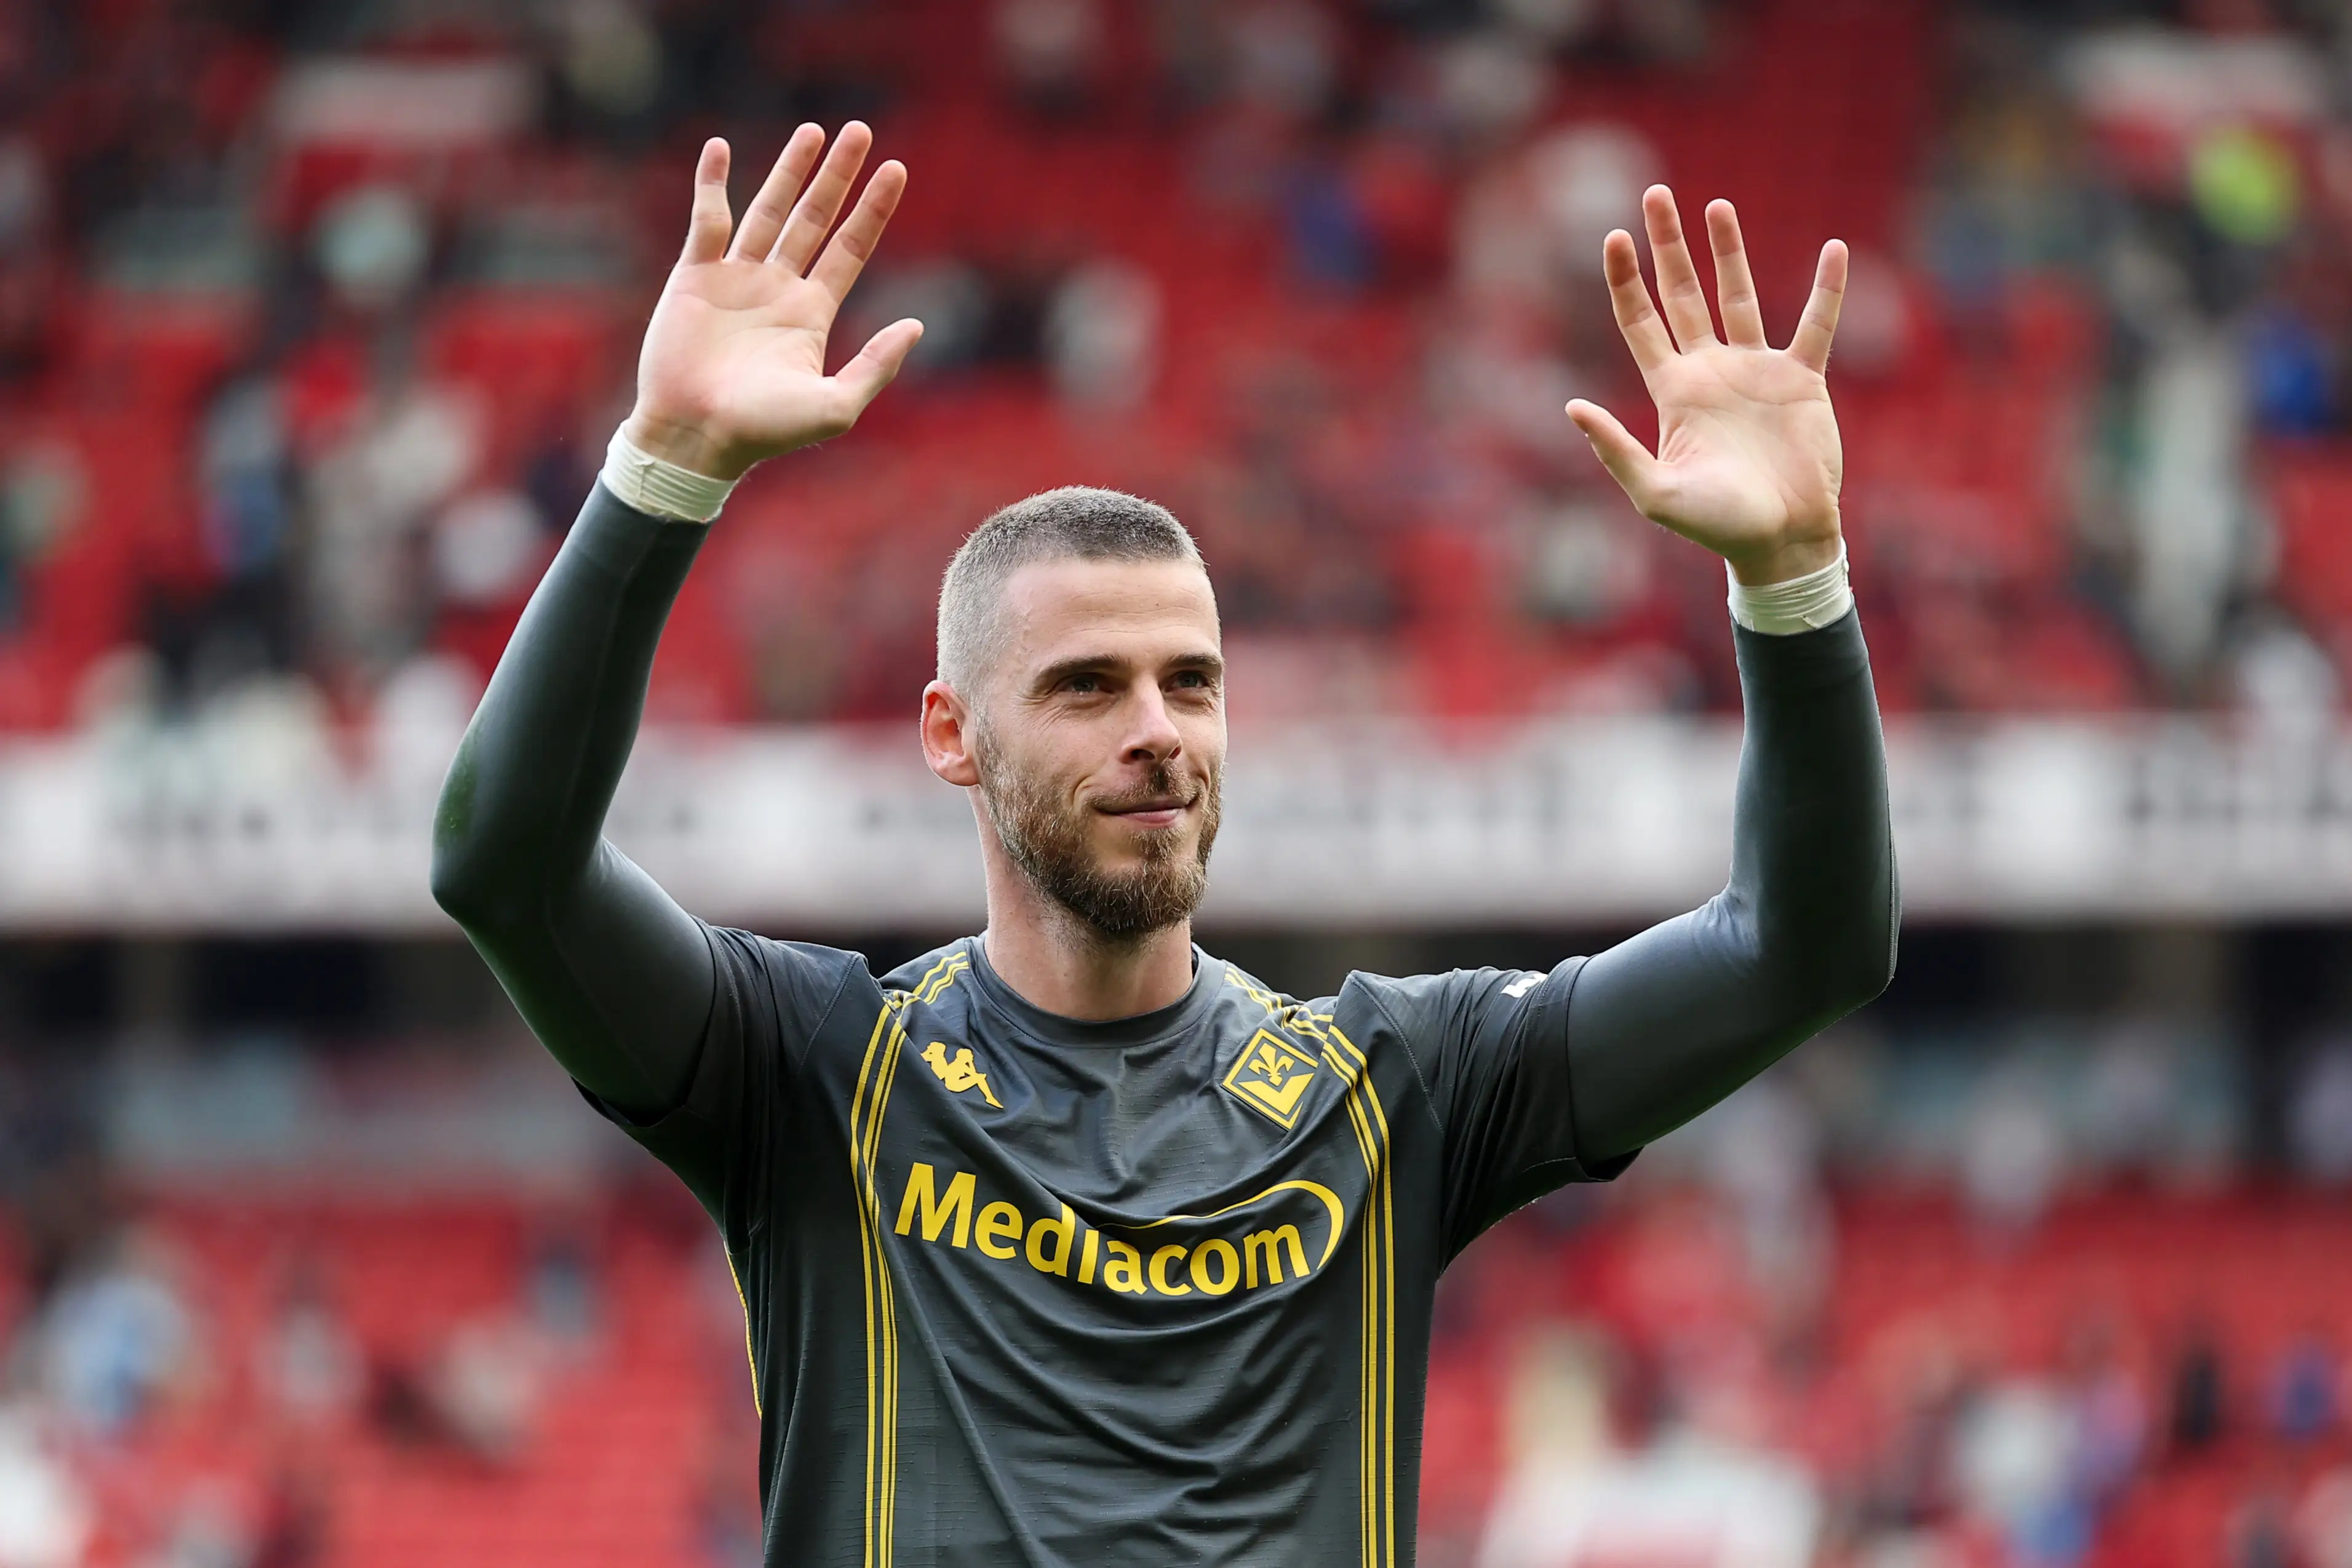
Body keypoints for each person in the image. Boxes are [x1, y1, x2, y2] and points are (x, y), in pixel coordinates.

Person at [429, 121, 1896, 1566]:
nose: (1160, 730)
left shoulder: (1396, 1090)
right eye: (1086, 685)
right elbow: (505, 865)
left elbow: (1802, 947)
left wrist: (1792, 579)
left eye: (1191, 681)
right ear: (952, 734)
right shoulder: (814, 1075)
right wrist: (664, 466)